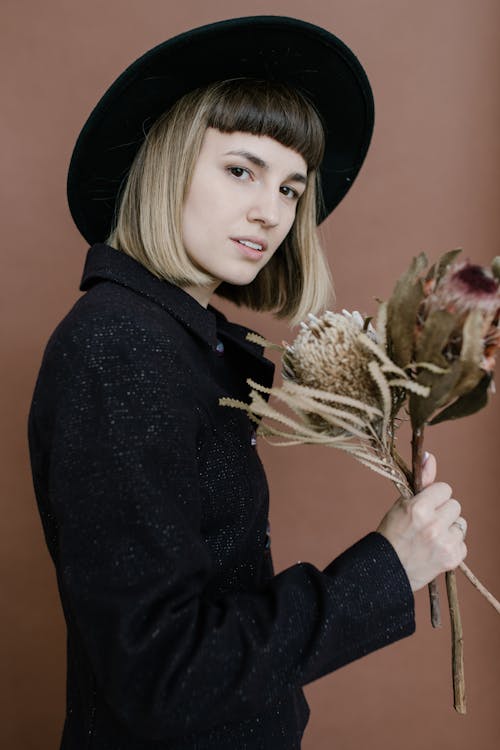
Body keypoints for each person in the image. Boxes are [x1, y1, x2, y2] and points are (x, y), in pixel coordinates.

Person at [28, 16, 467, 750]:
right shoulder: (118, 347)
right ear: (168, 164)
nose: (273, 213)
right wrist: (387, 569)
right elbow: (161, 675)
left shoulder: (175, 343)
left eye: (292, 188)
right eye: (241, 170)